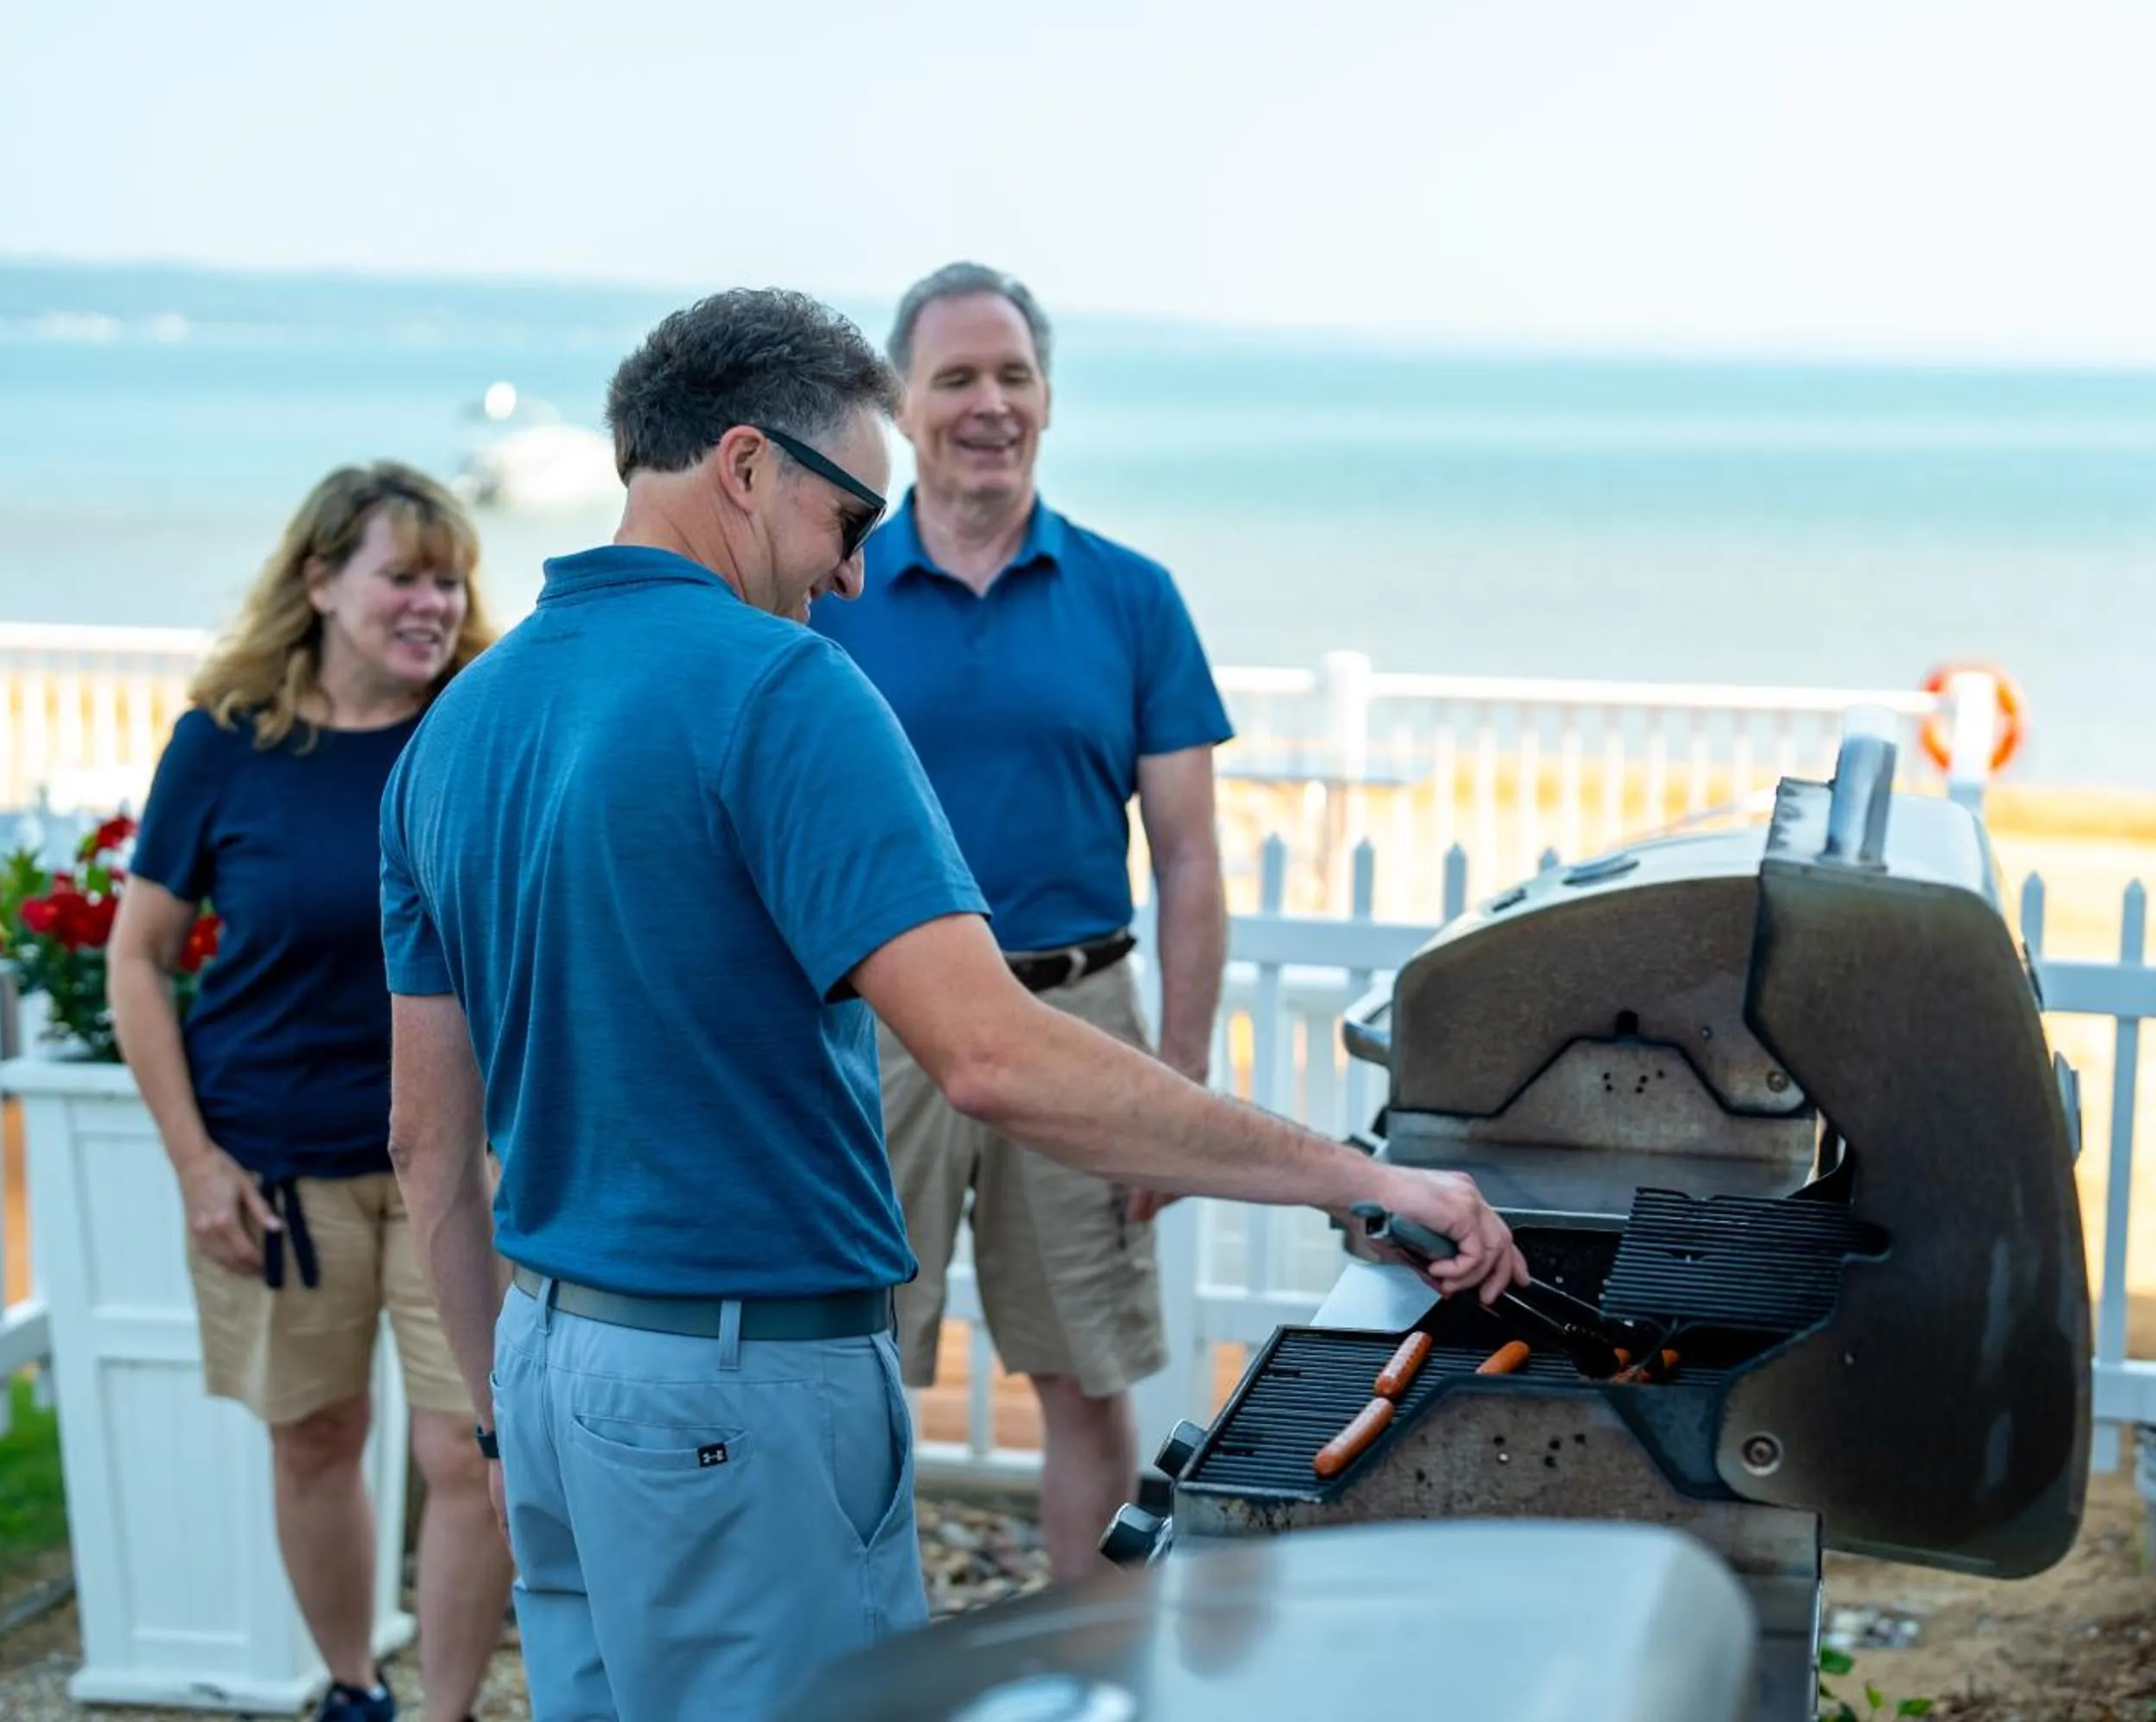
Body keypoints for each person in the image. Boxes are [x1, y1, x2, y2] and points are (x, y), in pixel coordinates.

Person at [378, 286, 1524, 1720]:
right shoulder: (786, 688)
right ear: (745, 468)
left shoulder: (457, 728)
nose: (855, 575)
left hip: (549, 1365)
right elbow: (989, 1054)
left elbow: (429, 1138)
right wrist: (1352, 1175)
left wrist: (501, 1402)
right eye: (850, 520)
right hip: (740, 1385)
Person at [810, 261, 1230, 1579]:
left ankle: (1088, 1674)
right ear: (899, 403)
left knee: (1086, 1380)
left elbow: (1189, 854)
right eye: (957, 378)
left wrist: (1180, 1078)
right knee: (847, 1364)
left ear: (1047, 398)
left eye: (1014, 375)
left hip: (1077, 1016)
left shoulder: (1132, 596)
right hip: (881, 1027)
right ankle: (852, 1663)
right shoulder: (834, 587)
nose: (989, 404)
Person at [107, 462, 511, 1722]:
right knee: (316, 1437)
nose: (433, 603)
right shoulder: (226, 746)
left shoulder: (485, 726)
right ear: (321, 582)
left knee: (470, 1451)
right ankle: (354, 1692)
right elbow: (137, 955)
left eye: (450, 580)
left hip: (462, 1163)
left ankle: (445, 1712)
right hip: (278, 1161)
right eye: (404, 575)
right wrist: (195, 1164)